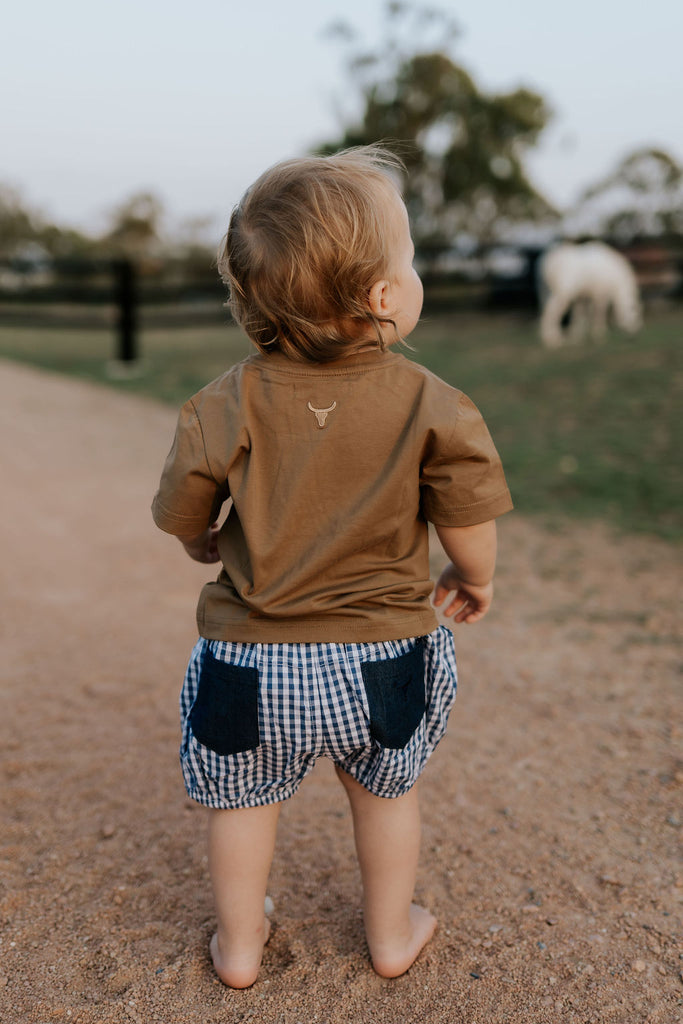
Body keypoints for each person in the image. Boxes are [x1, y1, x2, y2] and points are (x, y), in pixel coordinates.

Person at [152, 146, 512, 989]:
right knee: (384, 795)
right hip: (381, 655)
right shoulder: (432, 402)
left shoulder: (221, 402)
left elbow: (184, 513)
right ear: (384, 296)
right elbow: (467, 521)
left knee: (241, 802)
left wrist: (202, 540)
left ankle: (238, 948)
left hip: (254, 659)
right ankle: (390, 933)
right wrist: (476, 578)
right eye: (409, 257)